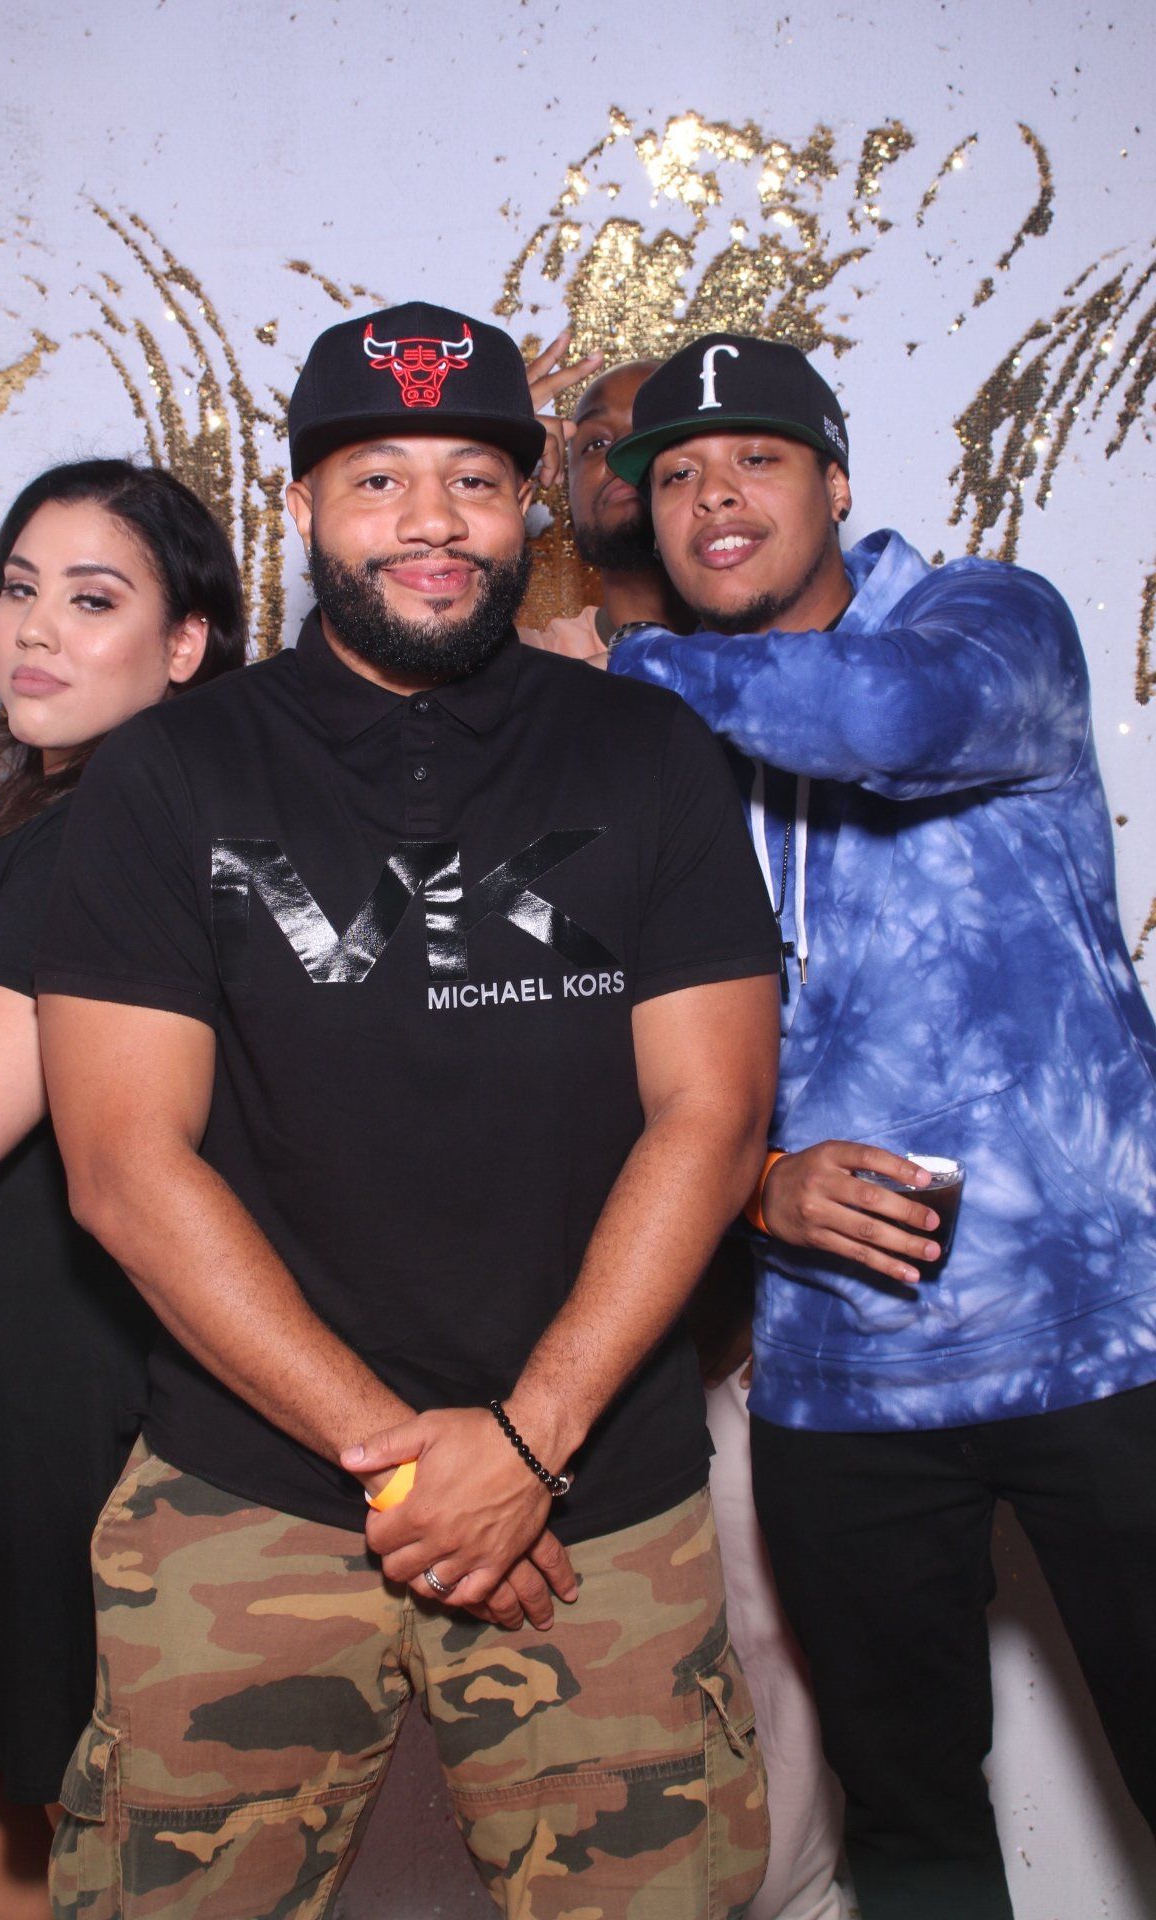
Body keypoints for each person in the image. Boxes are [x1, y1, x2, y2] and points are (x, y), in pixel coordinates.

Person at [36, 301, 780, 1919]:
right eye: (379, 479)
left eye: (474, 480)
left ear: (528, 509)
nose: (431, 521)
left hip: (597, 1495)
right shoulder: (172, 771)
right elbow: (122, 1164)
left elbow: (713, 1120)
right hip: (246, 1493)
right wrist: (412, 1467)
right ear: (301, 506)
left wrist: (527, 1440)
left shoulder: (650, 750)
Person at [605, 332, 1156, 1920]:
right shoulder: (652, 761)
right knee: (910, 1833)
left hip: (1106, 1341)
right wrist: (760, 1185)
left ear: (836, 482)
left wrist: (623, 664)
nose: (716, 496)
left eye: (757, 459)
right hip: (840, 1382)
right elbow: (624, 1053)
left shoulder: (987, 619)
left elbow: (885, 719)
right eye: (679, 474)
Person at [0, 459, 246, 1920]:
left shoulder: (116, 830)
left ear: (185, 645)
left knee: (78, 1812)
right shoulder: (37, 816)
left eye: (92, 600)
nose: (33, 626)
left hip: (67, 1399)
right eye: (18, 588)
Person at [529, 344, 849, 1920]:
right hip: (571, 1286)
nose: (625, 466)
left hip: (763, 1294)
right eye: (597, 443)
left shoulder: (800, 671)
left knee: (777, 1660)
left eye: (647, 444)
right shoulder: (520, 670)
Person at [520, 355, 690, 663]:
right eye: (597, 443)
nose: (623, 450)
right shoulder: (530, 668)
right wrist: (481, 453)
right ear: (567, 490)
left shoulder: (778, 649)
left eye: (651, 429)